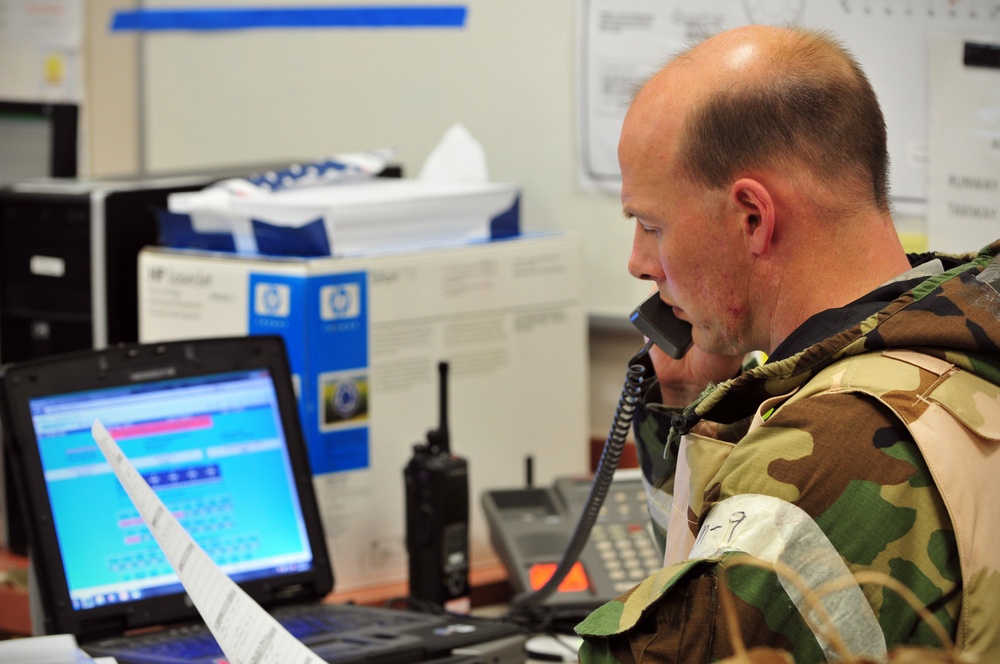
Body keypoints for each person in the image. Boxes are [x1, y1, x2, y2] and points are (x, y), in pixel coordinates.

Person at [575, 24, 1000, 663]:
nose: (640, 262)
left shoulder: (834, 447)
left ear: (753, 217)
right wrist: (693, 397)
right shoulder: (955, 335)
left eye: (652, 225)